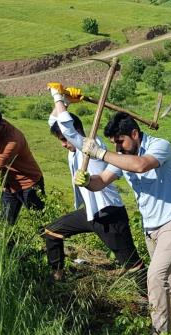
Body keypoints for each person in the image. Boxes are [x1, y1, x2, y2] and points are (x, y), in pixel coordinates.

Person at [77, 112, 171, 335]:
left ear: (135, 134)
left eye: (120, 141)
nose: (118, 147)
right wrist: (88, 181)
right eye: (113, 144)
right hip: (152, 230)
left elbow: (141, 166)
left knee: (156, 275)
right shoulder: (123, 156)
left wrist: (101, 153)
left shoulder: (160, 146)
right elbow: (101, 181)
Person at [43, 84, 143, 282]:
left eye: (64, 139)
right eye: (61, 140)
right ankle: (57, 276)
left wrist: (56, 96)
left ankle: (152, 299)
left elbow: (67, 129)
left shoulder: (90, 145)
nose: (64, 144)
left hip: (109, 214)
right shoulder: (73, 148)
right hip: (90, 211)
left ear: (76, 132)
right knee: (52, 231)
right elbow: (54, 121)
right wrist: (65, 102)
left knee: (133, 265)